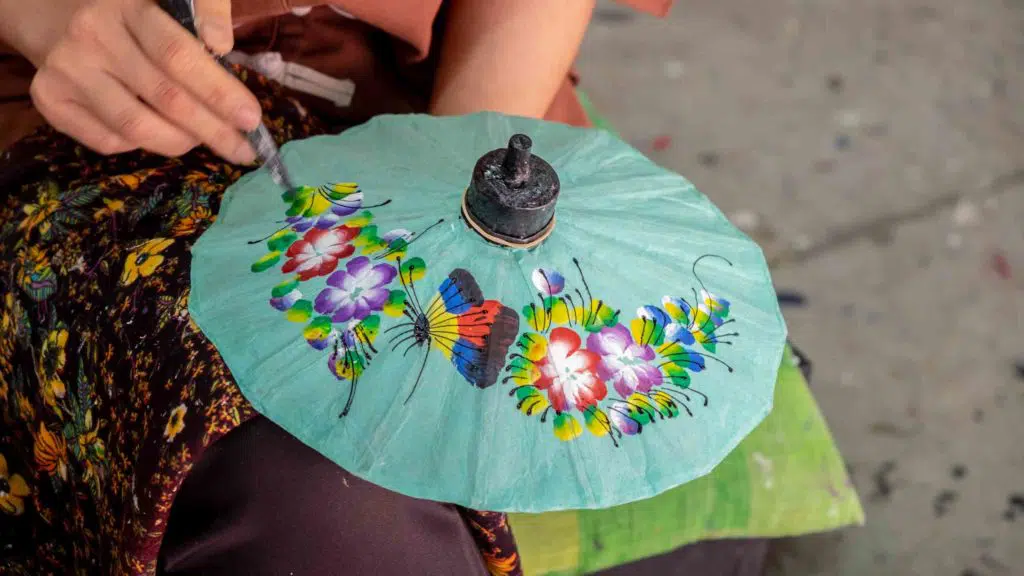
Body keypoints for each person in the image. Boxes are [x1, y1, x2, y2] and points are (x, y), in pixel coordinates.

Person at [0, 3, 787, 576]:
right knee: (312, 482)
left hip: (412, 94)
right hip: (64, 109)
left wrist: (461, 152)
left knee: (433, 412)